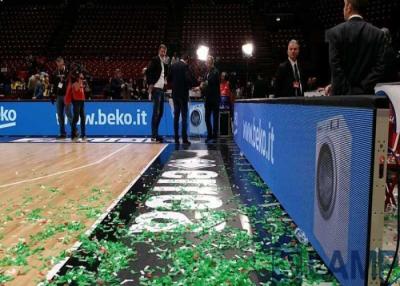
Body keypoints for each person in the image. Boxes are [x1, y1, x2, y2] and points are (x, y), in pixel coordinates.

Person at [325, 0, 385, 95]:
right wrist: (362, 88)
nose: (343, 9)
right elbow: (379, 67)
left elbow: (335, 66)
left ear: (348, 7)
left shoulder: (334, 33)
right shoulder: (378, 34)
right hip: (366, 95)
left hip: (341, 97)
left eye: (344, 5)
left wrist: (347, 90)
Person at [168, 53, 194, 145]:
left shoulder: (173, 65)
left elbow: (169, 79)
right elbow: (188, 79)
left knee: (176, 116)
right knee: (184, 117)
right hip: (183, 95)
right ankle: (184, 139)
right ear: (186, 59)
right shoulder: (185, 66)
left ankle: (176, 138)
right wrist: (191, 86)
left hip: (175, 94)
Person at [146, 44, 168, 143]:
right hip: (156, 89)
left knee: (161, 113)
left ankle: (156, 134)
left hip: (161, 90)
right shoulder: (155, 60)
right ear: (159, 51)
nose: (163, 53)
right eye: (162, 51)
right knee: (156, 113)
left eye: (164, 52)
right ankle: (153, 136)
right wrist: (150, 84)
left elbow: (164, 74)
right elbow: (148, 71)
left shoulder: (164, 62)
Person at [52, 57, 72, 139]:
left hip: (66, 95)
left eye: (60, 64)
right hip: (58, 96)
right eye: (57, 65)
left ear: (63, 63)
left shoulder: (68, 72)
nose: (59, 66)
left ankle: (75, 132)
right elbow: (54, 84)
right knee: (60, 115)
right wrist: (53, 94)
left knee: (68, 113)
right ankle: (62, 133)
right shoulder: (55, 72)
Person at [201, 56, 220, 143]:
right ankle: (209, 134)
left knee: (215, 118)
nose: (206, 64)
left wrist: (202, 84)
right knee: (206, 118)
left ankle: (214, 136)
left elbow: (210, 81)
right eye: (206, 62)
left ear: (211, 63)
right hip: (208, 98)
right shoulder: (206, 73)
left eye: (208, 62)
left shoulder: (216, 71)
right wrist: (199, 87)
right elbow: (204, 83)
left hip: (215, 98)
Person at [65, 72, 86, 141]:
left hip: (82, 101)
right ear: (78, 78)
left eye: (83, 78)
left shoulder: (81, 83)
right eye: (81, 78)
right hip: (76, 101)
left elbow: (85, 91)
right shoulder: (75, 84)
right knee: (76, 118)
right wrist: (81, 83)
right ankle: (73, 135)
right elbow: (77, 89)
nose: (82, 79)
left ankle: (83, 135)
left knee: (83, 118)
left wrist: (85, 86)